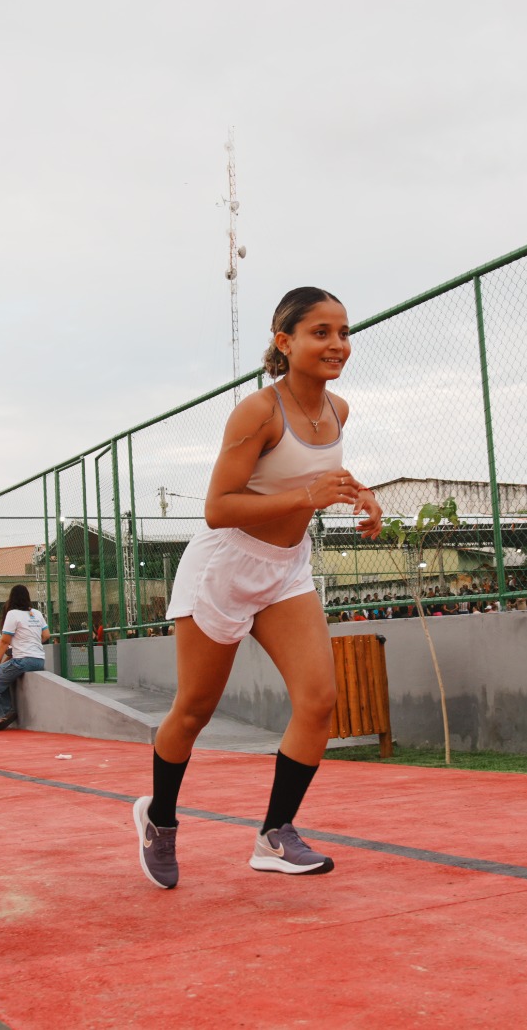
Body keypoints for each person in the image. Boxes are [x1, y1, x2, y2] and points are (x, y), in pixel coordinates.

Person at [133, 286, 383, 889]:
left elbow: (321, 474)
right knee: (194, 711)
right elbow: (218, 507)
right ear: (284, 342)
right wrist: (307, 498)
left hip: (285, 568)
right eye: (320, 332)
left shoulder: (338, 410)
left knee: (318, 700)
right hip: (225, 567)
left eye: (343, 332)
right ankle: (159, 819)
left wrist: (360, 492)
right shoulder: (258, 412)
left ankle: (275, 834)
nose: (337, 345)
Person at [0, 585, 50, 733]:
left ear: (12, 598)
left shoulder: (13, 614)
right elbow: (47, 636)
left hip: (22, 660)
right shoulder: (36, 613)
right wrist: (32, 643)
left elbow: (3, 641)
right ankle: (4, 714)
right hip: (38, 660)